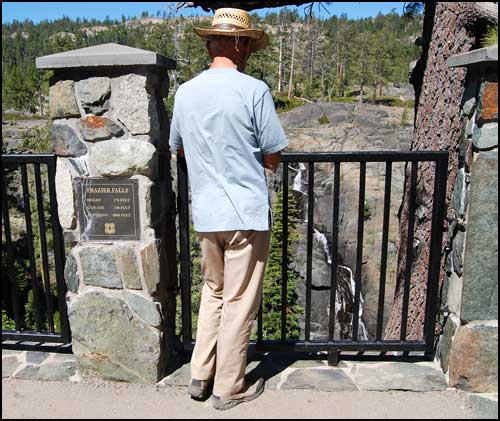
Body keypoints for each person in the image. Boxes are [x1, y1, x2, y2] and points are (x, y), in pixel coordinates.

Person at [169, 8, 289, 411]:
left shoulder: (185, 92)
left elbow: (179, 148)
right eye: (249, 44)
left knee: (214, 292)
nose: (250, 51)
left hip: (206, 213)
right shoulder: (253, 90)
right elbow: (272, 153)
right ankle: (228, 387)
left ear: (210, 44)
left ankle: (200, 375)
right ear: (240, 45)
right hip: (245, 213)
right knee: (239, 301)